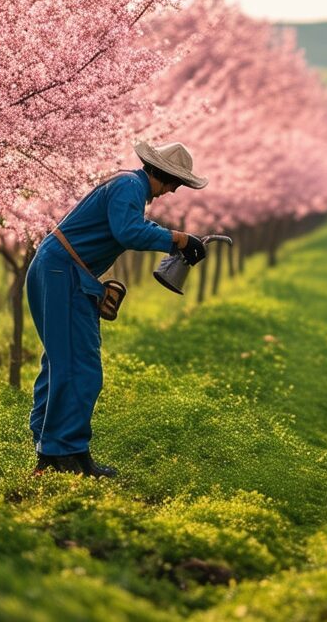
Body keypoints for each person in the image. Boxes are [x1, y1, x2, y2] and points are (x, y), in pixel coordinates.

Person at [28, 141, 209, 477]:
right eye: (174, 183)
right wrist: (180, 240)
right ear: (162, 174)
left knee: (60, 362)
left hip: (57, 270)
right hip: (61, 273)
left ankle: (54, 450)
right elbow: (128, 232)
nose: (171, 192)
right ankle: (63, 453)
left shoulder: (125, 185)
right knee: (81, 369)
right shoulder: (129, 186)